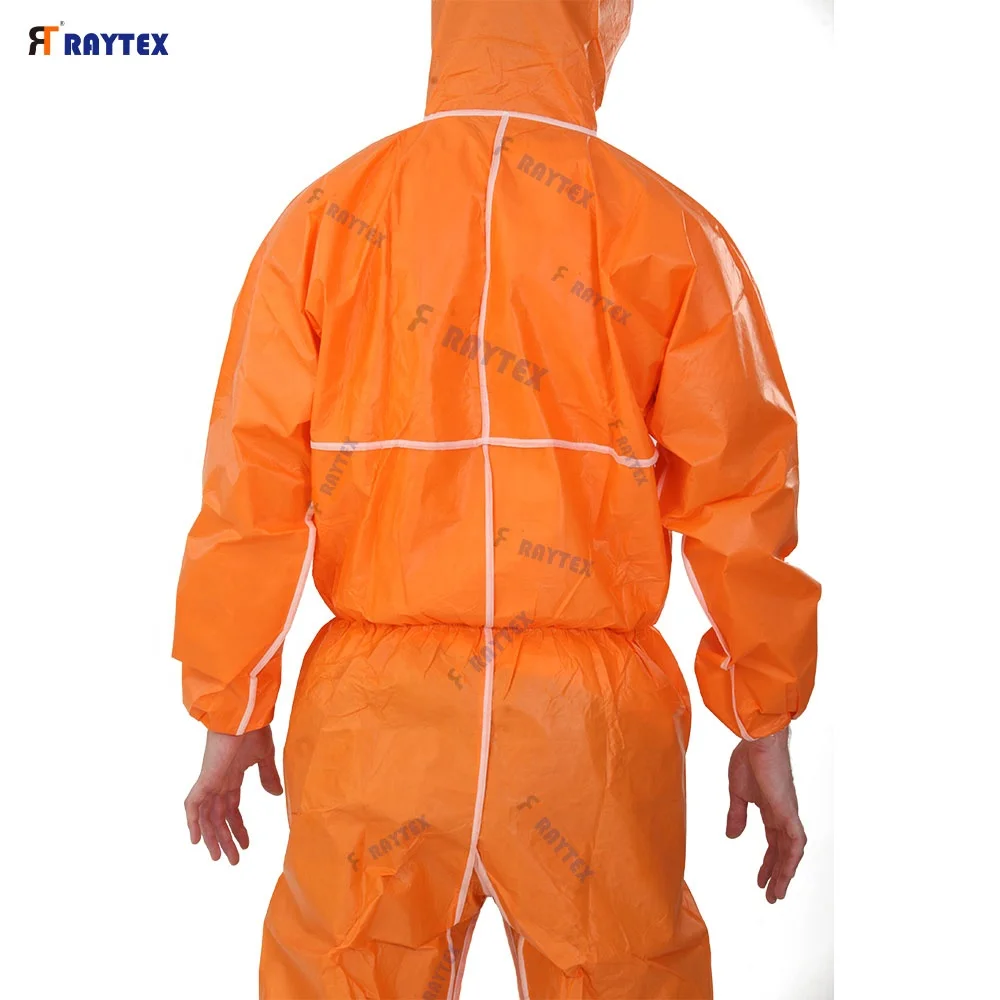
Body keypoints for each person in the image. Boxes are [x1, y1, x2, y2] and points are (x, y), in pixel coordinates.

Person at [174, 1, 821, 996]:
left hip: (376, 734)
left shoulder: (325, 221)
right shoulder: (670, 233)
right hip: (588, 742)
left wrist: (232, 707)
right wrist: (761, 719)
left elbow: (249, 488)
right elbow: (742, 497)